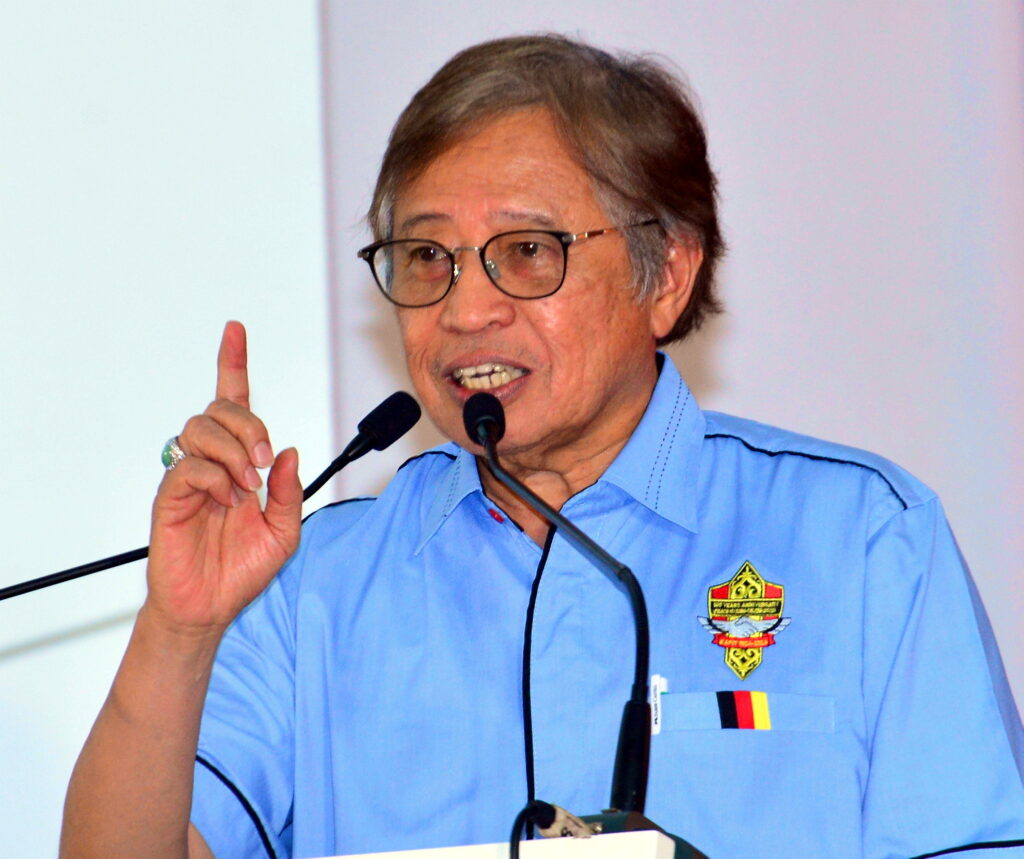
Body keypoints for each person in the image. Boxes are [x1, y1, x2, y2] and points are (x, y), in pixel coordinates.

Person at [61, 34, 1024, 859]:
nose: (466, 308)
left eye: (527, 251)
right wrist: (178, 631)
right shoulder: (315, 586)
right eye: (427, 258)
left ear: (666, 274)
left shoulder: (864, 540)